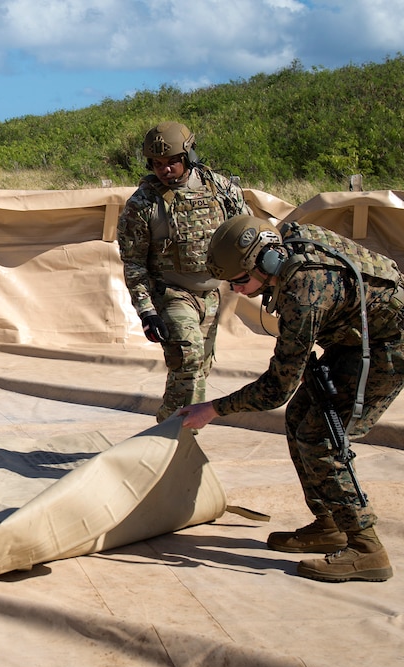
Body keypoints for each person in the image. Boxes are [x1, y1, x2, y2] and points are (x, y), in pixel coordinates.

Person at [179, 215, 403, 582]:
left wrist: (213, 409)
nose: (236, 290)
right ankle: (330, 524)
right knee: (300, 417)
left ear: (265, 263)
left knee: (321, 438)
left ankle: (366, 548)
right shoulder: (286, 249)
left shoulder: (304, 292)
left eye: (240, 280)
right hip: (358, 336)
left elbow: (277, 388)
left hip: (389, 346)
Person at [116, 122, 250, 421]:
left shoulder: (221, 189)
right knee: (188, 360)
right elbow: (134, 262)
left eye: (172, 161)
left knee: (198, 370)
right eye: (157, 164)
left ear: (189, 155)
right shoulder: (143, 203)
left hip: (213, 295)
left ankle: (176, 435)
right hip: (173, 294)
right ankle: (173, 436)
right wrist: (147, 312)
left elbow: (247, 234)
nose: (164, 170)